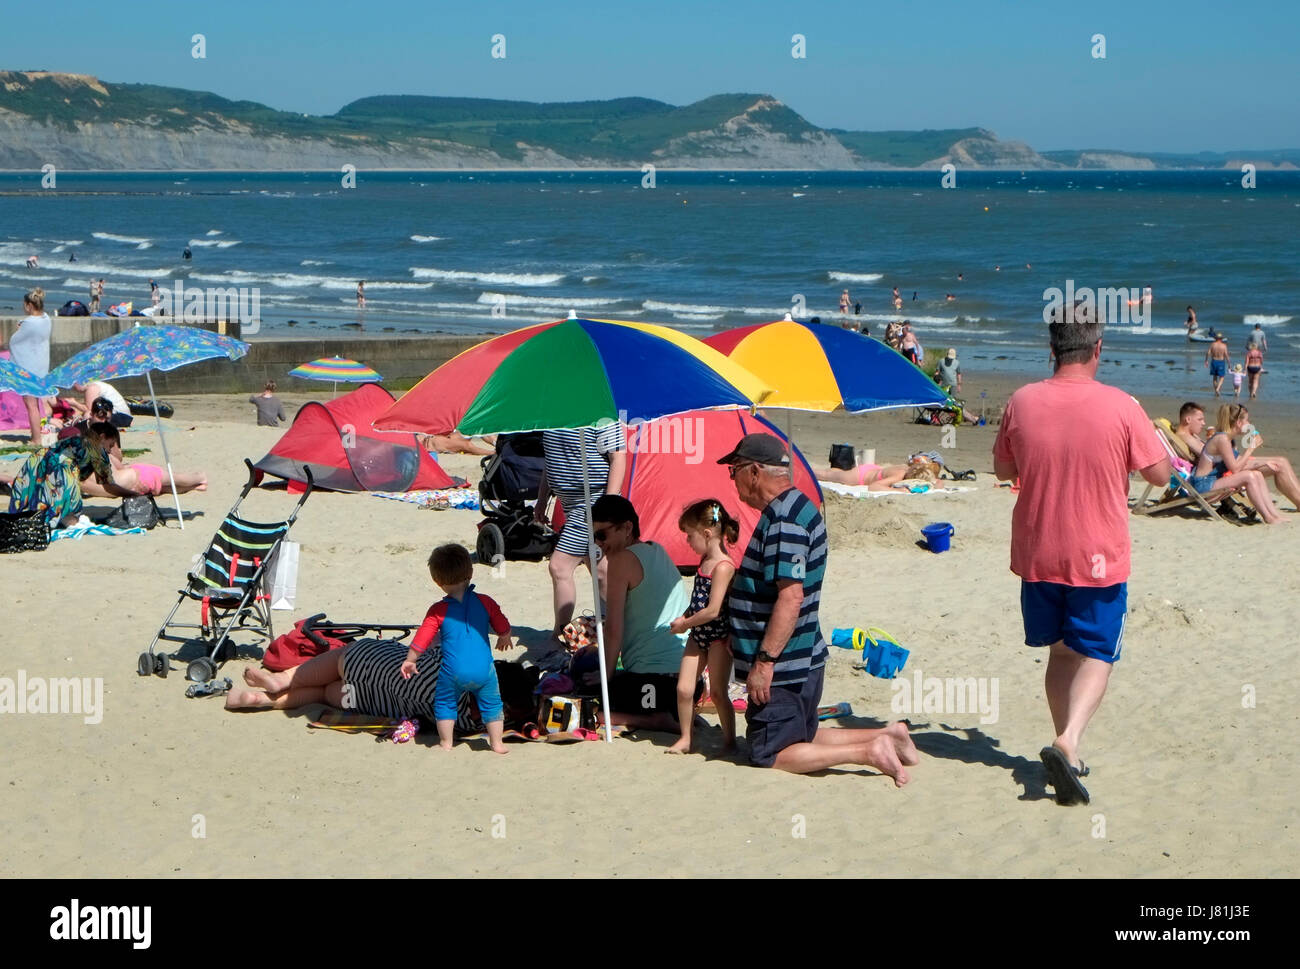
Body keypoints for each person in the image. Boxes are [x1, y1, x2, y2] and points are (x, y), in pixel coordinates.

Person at [993, 302, 1170, 805]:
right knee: (1098, 652)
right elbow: (1160, 474)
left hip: (1038, 553)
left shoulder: (1022, 400)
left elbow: (1004, 471)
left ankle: (1067, 751)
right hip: (1096, 553)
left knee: (1061, 651)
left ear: (1051, 349)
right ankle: (1067, 740)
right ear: (1097, 348)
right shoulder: (1120, 405)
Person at [722, 433, 917, 780]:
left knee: (770, 752)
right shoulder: (796, 506)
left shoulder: (784, 520)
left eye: (733, 470)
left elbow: (790, 596)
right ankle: (887, 735)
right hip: (806, 654)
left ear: (753, 472)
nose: (732, 479)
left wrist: (765, 663)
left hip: (786, 665)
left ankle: (870, 752)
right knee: (802, 735)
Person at [583, 495, 691, 732]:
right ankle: (672, 713)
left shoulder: (621, 561)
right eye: (594, 537)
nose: (598, 543)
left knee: (595, 710)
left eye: (602, 535)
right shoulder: (657, 549)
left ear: (627, 527)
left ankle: (655, 720)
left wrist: (606, 677)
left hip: (652, 684)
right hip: (688, 680)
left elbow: (613, 630)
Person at [400, 544, 512, 754]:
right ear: (470, 572)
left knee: (445, 704)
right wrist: (504, 636)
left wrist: (410, 659)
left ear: (437, 581)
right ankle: (497, 743)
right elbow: (502, 623)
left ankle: (446, 743)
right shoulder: (485, 602)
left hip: (453, 672)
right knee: (492, 705)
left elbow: (423, 638)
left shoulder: (438, 610)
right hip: (484, 671)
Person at [534, 425, 627, 641]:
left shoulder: (599, 414)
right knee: (601, 571)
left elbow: (618, 457)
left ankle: (559, 635)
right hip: (571, 505)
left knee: (559, 566)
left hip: (593, 502)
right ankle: (617, 628)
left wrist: (608, 504)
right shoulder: (553, 414)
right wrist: (542, 499)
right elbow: (551, 461)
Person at [666, 499, 738, 755]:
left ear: (707, 534)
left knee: (718, 693)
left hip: (718, 637)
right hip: (698, 635)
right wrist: (685, 617)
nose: (687, 542)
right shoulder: (704, 562)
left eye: (689, 536)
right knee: (684, 688)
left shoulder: (723, 567)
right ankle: (686, 738)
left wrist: (685, 623)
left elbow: (713, 609)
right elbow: (698, 603)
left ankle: (730, 739)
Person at [3, 422, 139, 526]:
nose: (109, 451)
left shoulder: (77, 440)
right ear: (102, 437)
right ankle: (67, 520)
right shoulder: (96, 449)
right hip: (60, 466)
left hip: (36, 460)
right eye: (110, 445)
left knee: (33, 504)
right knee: (71, 515)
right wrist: (132, 494)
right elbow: (109, 486)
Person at [1175, 402, 1288, 520]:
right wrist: (1250, 448)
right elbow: (1235, 469)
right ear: (1239, 423)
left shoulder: (1226, 438)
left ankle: (1274, 515)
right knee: (1249, 476)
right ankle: (1268, 517)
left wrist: (1264, 463)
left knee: (1257, 474)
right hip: (1203, 485)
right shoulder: (1222, 439)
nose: (1249, 424)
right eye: (1247, 421)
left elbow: (1237, 462)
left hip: (1212, 481)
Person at [5, 288, 52, 445]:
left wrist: (19, 329)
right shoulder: (46, 319)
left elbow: (13, 341)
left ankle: (36, 438)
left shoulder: (28, 323)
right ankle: (36, 434)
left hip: (28, 369)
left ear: (29, 305)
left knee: (30, 405)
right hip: (41, 367)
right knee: (36, 404)